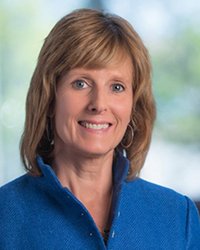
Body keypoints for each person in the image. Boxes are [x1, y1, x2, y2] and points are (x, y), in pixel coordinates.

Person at [0, 8, 199, 250]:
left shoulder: (178, 217)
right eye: (81, 83)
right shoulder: (5, 216)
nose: (98, 104)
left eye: (116, 87)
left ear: (133, 106)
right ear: (50, 98)